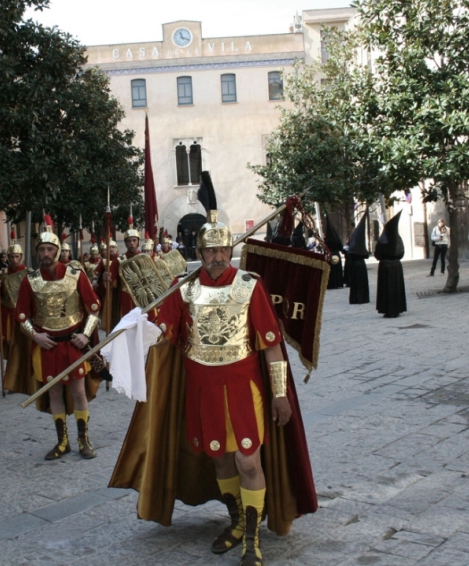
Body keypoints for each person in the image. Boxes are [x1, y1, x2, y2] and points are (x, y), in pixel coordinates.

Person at [110, 209, 317, 566]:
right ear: (200, 253)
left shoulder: (250, 286)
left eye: (223, 250)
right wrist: (137, 329)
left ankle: (252, 536)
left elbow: (271, 345)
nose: (218, 257)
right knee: (220, 459)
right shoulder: (184, 289)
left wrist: (280, 395)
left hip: (243, 389)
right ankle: (236, 522)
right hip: (202, 390)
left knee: (248, 461)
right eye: (211, 251)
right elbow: (165, 332)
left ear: (230, 250)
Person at [13, 219, 102, 460]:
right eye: (41, 249)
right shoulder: (30, 280)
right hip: (47, 347)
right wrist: (35, 336)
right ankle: (62, 442)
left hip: (72, 344)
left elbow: (94, 307)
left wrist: (85, 334)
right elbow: (21, 316)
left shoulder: (75, 275)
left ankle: (84, 440)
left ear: (58, 251)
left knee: (78, 392)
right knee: (53, 394)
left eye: (50, 249)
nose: (45, 253)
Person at [375, 211, 407, 318]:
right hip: (396, 266)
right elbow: (402, 253)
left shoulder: (382, 240)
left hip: (385, 265)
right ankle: (397, 308)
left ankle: (387, 309)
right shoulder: (398, 239)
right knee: (395, 287)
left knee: (386, 288)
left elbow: (377, 254)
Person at [346, 215, 370, 304]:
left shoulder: (353, 244)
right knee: (361, 282)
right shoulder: (361, 246)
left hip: (354, 264)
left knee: (355, 283)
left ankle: (356, 298)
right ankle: (362, 298)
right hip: (361, 264)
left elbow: (349, 254)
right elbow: (366, 255)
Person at [322, 215, 345, 290]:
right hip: (336, 255)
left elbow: (325, 248)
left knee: (331, 270)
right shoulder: (336, 238)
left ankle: (331, 284)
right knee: (337, 270)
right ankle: (338, 283)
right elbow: (341, 247)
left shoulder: (327, 239)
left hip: (330, 254)